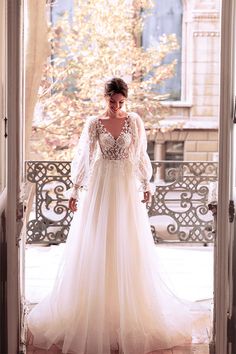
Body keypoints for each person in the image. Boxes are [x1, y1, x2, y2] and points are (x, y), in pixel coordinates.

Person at [27, 78, 209, 354]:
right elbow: (85, 157)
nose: (116, 107)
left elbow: (139, 156)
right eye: (113, 102)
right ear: (105, 98)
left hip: (124, 188)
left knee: (126, 244)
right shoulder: (94, 123)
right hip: (101, 189)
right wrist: (74, 191)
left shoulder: (133, 121)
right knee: (98, 244)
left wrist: (146, 184)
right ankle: (95, 313)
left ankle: (128, 312)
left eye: (121, 102)